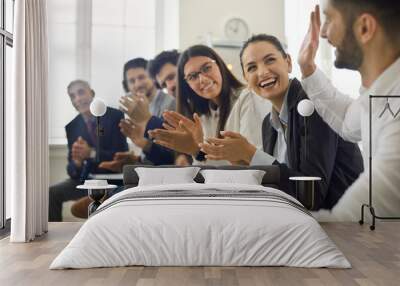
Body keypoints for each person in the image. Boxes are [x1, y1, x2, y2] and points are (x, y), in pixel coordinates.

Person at [200, 34, 364, 210]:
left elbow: (312, 195)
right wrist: (243, 163)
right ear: (247, 80)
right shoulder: (268, 124)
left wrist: (251, 154)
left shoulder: (313, 107)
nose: (262, 72)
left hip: (344, 223)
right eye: (252, 68)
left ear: (288, 63)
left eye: (270, 60)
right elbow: (282, 186)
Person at [296, 2, 400, 220]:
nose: (323, 33)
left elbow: (352, 223)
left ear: (364, 28)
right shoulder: (381, 94)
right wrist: (307, 67)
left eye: (330, 19)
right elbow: (347, 121)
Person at [148, 45, 269, 164]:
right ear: (187, 84)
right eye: (193, 76)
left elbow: (255, 162)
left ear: (219, 65)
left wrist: (197, 150)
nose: (202, 79)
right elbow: (207, 172)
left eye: (206, 68)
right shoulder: (204, 114)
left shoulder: (248, 98)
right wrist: (195, 151)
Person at [49, 80, 128, 221]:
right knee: (52, 193)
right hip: (86, 181)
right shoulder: (71, 127)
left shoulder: (115, 116)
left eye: (80, 92)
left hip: (112, 179)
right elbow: (72, 171)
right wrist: (77, 162)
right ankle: (54, 234)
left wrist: (91, 153)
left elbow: (121, 156)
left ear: (91, 93)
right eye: (72, 96)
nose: (77, 99)